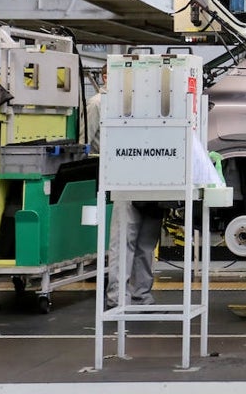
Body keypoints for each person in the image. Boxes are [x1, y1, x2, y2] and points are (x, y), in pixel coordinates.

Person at [91, 67, 164, 311]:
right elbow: (86, 143)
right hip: (121, 179)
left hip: (151, 181)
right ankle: (117, 298)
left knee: (145, 244)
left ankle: (141, 296)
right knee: (123, 242)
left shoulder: (144, 104)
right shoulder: (98, 103)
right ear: (105, 77)